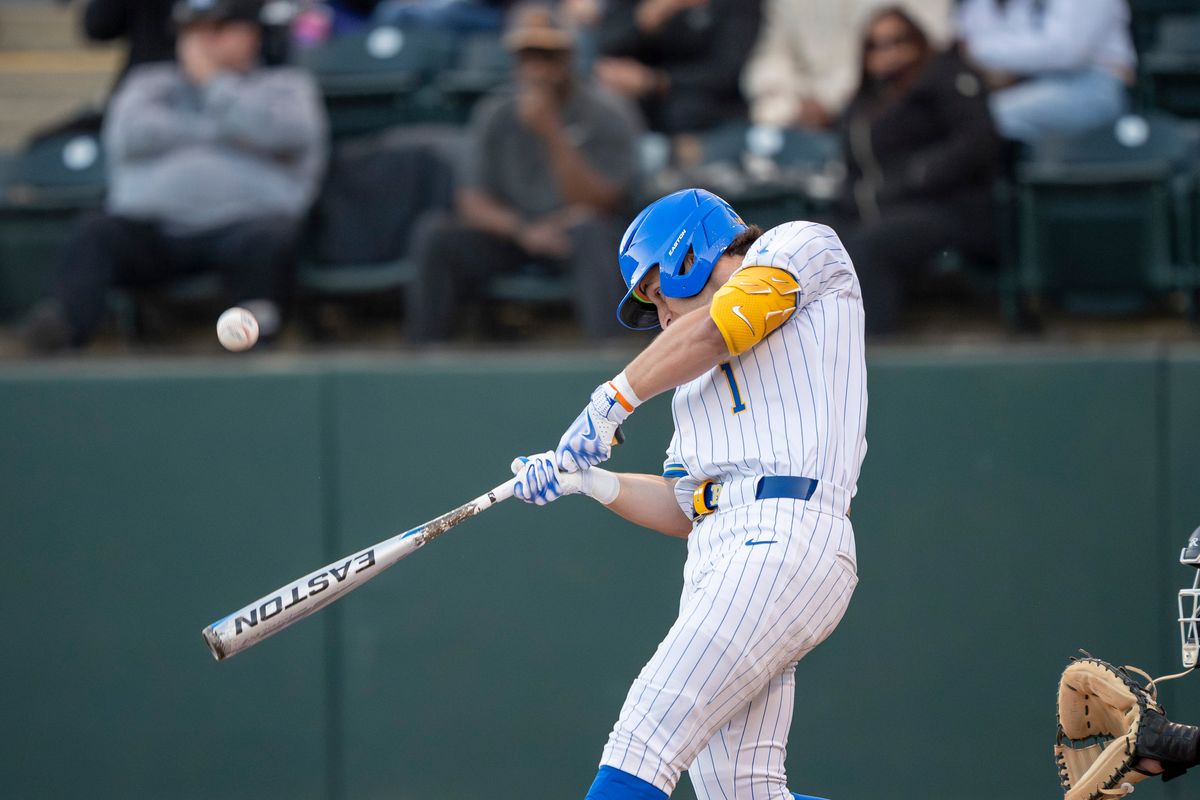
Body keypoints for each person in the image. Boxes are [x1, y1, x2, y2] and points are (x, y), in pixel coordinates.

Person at [509, 187, 866, 799]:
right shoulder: (692, 388)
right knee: (740, 791)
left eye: (656, 292)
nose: (661, 317)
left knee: (642, 742)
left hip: (784, 533)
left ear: (688, 253)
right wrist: (589, 481)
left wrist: (610, 402)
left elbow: (722, 323)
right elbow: (685, 510)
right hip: (724, 551)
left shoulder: (797, 245)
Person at [20, 0, 327, 352]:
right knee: (96, 231)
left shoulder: (285, 86)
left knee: (271, 239)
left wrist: (214, 83)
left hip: (244, 227)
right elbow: (129, 134)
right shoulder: (150, 82)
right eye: (194, 30)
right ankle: (63, 332)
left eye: (218, 28)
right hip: (156, 231)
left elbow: (282, 132)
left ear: (250, 32)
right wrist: (224, 130)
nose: (203, 41)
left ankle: (256, 346)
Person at [406, 3, 642, 342]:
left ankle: (609, 363)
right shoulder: (494, 113)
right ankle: (424, 361)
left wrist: (551, 132)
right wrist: (524, 231)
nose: (537, 67)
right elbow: (471, 200)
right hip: (516, 232)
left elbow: (606, 201)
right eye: (527, 56)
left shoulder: (607, 110)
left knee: (595, 234)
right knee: (435, 234)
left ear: (568, 57)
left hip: (577, 230)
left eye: (547, 55)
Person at [834, 6, 1002, 335]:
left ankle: (871, 349)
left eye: (899, 41)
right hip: (883, 208)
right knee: (820, 241)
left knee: (870, 245)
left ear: (919, 41)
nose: (890, 53)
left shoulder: (947, 78)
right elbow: (855, 167)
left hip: (948, 208)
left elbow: (978, 143)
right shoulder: (864, 101)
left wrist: (916, 176)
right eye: (877, 45)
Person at [742, 0, 952, 130]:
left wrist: (828, 100)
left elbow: (927, 43)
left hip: (891, 110)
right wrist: (788, 104)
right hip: (796, 113)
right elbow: (772, 54)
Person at [956, 0, 1136, 144]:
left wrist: (974, 50)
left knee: (986, 116)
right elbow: (1010, 36)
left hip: (1092, 86)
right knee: (959, 111)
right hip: (1037, 83)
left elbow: (1066, 51)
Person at [594, 0, 762, 135]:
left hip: (703, 110)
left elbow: (726, 73)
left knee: (686, 111)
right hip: (635, 103)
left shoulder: (739, 5)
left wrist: (656, 81)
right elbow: (603, 50)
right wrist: (643, 20)